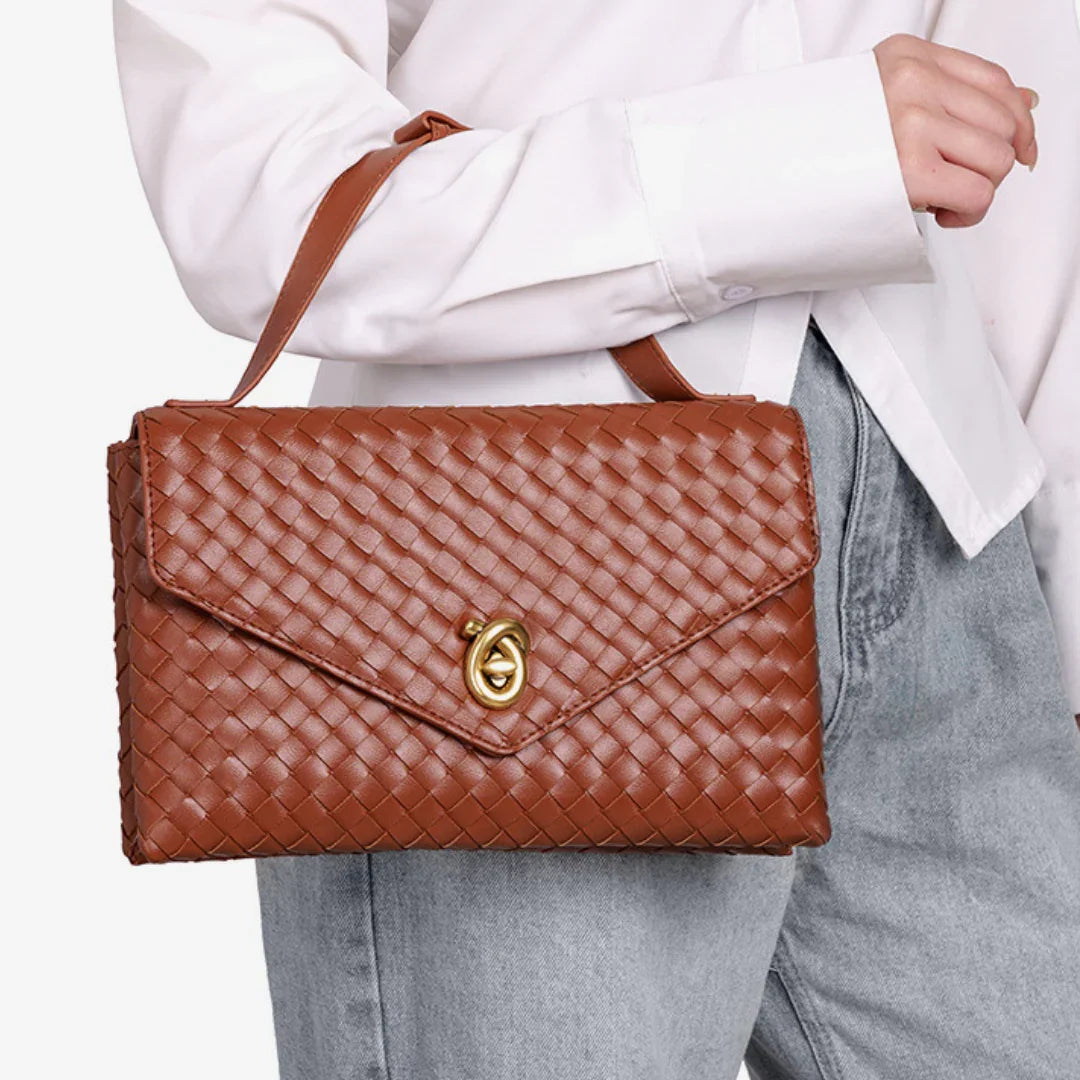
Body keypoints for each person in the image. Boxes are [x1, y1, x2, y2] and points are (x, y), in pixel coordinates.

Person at [113, 2, 1080, 1077]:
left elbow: (1031, 110)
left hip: (953, 518)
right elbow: (246, 171)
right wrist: (793, 158)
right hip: (521, 579)